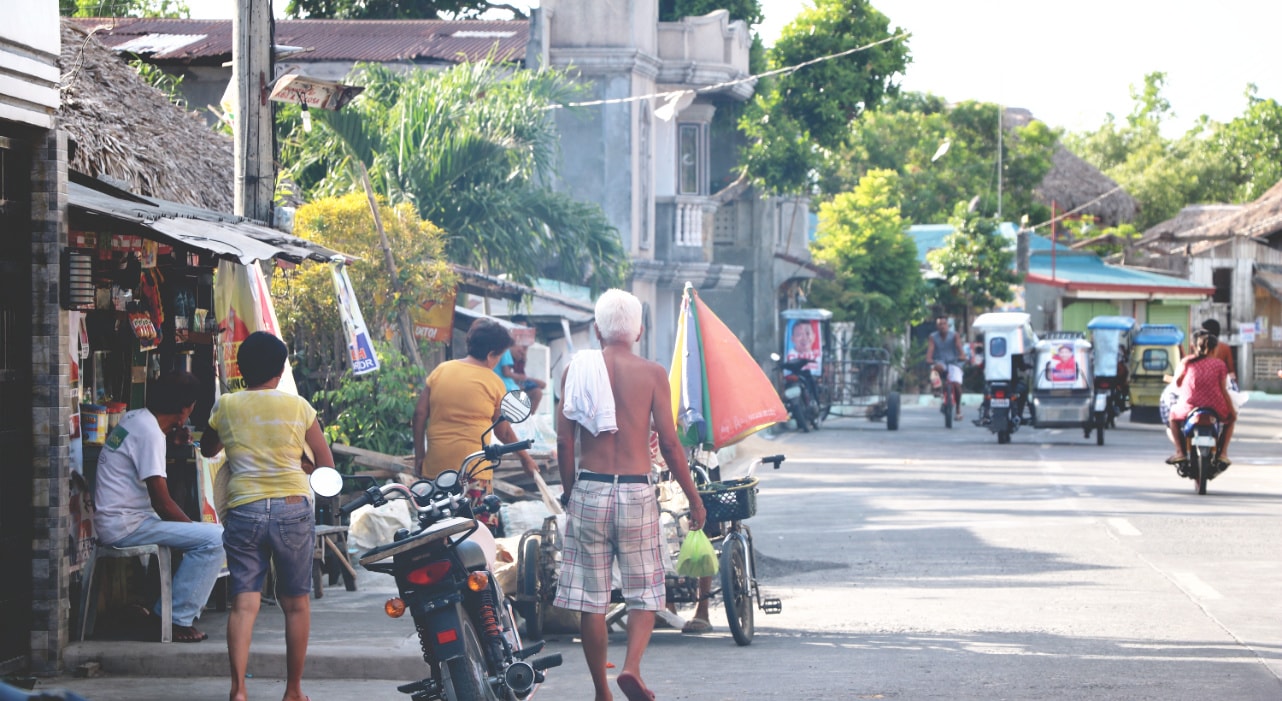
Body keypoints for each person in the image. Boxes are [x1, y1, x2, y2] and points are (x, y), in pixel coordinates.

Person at [554, 289, 707, 701]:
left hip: (591, 488)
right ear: (638, 330)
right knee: (646, 589)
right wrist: (693, 496)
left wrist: (572, 493)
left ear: (598, 328)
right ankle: (632, 668)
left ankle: (601, 691)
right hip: (637, 491)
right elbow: (672, 446)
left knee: (592, 598)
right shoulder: (653, 373)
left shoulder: (575, 371)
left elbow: (564, 443)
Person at [200, 331, 335, 701]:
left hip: (245, 507)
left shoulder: (225, 405)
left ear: (241, 369)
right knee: (296, 602)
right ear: (281, 368)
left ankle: (239, 690)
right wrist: (301, 463)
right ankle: (293, 691)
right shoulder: (299, 407)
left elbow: (208, 449)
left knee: (244, 601)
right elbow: (326, 466)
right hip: (293, 506)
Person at [92, 371, 224, 644]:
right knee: (215, 539)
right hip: (126, 525)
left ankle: (160, 611)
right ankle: (175, 619)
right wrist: (196, 531)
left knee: (203, 537)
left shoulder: (135, 418)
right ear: (186, 409)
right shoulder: (150, 432)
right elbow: (162, 503)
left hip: (121, 519)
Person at [413, 319, 539, 530]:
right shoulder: (493, 382)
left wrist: (419, 456)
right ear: (491, 355)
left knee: (434, 534)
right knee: (477, 535)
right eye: (499, 357)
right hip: (473, 474)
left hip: (436, 472)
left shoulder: (441, 370)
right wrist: (526, 459)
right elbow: (504, 433)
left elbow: (419, 414)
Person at [1165, 329, 1237, 466]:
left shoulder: (1187, 362)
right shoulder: (1219, 365)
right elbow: (1224, 390)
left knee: (1172, 417)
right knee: (1231, 421)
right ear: (1214, 349)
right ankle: (1223, 453)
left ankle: (1180, 452)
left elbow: (1178, 383)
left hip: (1189, 406)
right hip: (1216, 407)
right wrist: (1232, 411)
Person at [926, 316, 966, 421]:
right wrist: (929, 358)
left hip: (954, 362)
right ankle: (937, 389)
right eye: (940, 324)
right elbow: (931, 349)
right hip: (940, 362)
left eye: (944, 324)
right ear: (937, 326)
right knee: (935, 369)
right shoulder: (933, 337)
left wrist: (962, 356)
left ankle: (958, 410)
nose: (942, 326)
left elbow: (959, 347)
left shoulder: (954, 335)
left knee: (957, 385)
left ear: (948, 325)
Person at [1201, 319, 1238, 389]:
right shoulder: (1225, 348)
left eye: (1202, 332)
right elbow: (1232, 372)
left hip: (1205, 387)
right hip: (1221, 386)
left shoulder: (1199, 348)